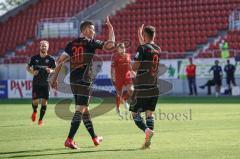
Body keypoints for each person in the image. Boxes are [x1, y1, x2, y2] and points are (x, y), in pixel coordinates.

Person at [51, 17, 115, 149]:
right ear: (85, 30)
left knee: (84, 110)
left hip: (74, 80)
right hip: (85, 80)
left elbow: (60, 60)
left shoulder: (71, 44)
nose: (94, 32)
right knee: (80, 109)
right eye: (92, 29)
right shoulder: (91, 42)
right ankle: (69, 139)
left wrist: (54, 78)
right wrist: (111, 28)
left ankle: (94, 137)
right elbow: (110, 45)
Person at [130, 25, 161, 149]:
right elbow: (147, 49)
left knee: (134, 114)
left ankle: (146, 131)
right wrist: (140, 36)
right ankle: (148, 142)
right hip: (154, 86)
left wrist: (129, 64)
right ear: (154, 35)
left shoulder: (142, 48)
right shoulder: (158, 49)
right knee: (149, 114)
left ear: (145, 35)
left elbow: (135, 66)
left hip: (142, 87)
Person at [26, 40, 56, 126]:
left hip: (46, 83)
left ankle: (40, 119)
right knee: (35, 101)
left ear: (48, 47)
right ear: (40, 47)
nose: (44, 47)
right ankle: (35, 111)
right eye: (42, 46)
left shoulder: (51, 59)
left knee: (44, 102)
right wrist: (32, 72)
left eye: (45, 46)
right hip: (36, 83)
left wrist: (51, 70)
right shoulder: (34, 58)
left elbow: (55, 70)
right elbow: (28, 67)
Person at [111, 43, 134, 119]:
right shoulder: (115, 57)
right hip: (118, 77)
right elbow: (112, 68)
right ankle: (117, 108)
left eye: (124, 47)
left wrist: (132, 71)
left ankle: (124, 99)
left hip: (127, 76)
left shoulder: (128, 55)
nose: (123, 48)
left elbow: (130, 64)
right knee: (118, 94)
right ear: (118, 49)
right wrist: (112, 77)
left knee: (131, 90)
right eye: (121, 47)